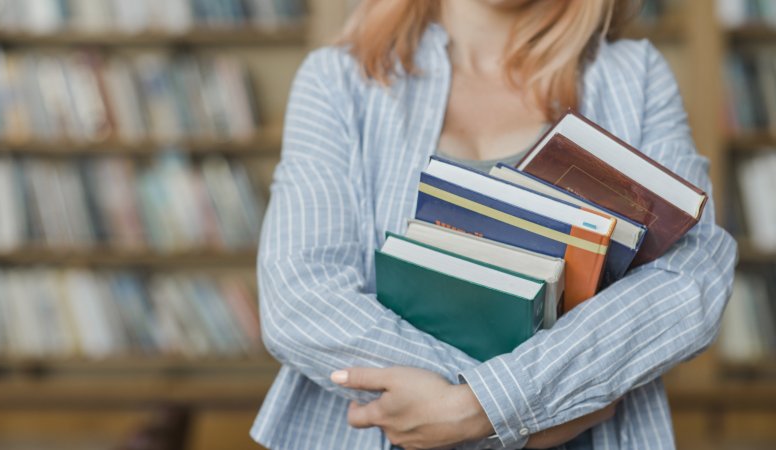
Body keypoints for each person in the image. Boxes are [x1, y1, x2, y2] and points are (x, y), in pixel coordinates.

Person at [250, 0, 737, 449]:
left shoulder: (636, 76)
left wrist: (481, 409)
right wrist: (509, 410)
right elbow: (301, 297)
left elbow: (689, 279)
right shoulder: (338, 81)